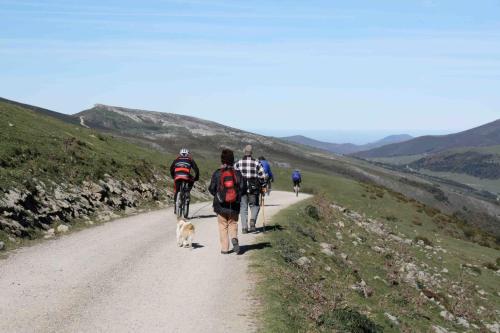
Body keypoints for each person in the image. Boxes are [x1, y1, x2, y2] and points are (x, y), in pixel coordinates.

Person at [209, 149, 247, 254]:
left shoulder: (217, 173)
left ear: (222, 160)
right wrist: (237, 196)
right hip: (234, 205)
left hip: (220, 205)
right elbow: (243, 189)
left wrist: (218, 196)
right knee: (233, 223)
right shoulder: (238, 173)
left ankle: (225, 249)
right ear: (232, 160)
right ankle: (234, 238)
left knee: (222, 225)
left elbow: (211, 188)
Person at [235, 145, 266, 233]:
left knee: (243, 207)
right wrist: (263, 186)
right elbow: (262, 176)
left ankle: (244, 228)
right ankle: (252, 220)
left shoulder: (238, 163)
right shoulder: (256, 162)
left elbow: (234, 174)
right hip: (254, 188)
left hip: (242, 188)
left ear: (244, 151)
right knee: (255, 206)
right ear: (251, 152)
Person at [170, 148, 200, 214]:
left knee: (177, 191)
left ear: (180, 154)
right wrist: (196, 178)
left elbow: (171, 169)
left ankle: (175, 208)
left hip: (177, 176)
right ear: (188, 154)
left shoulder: (176, 159)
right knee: (191, 180)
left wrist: (173, 176)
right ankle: (187, 192)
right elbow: (196, 169)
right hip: (186, 176)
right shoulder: (190, 159)